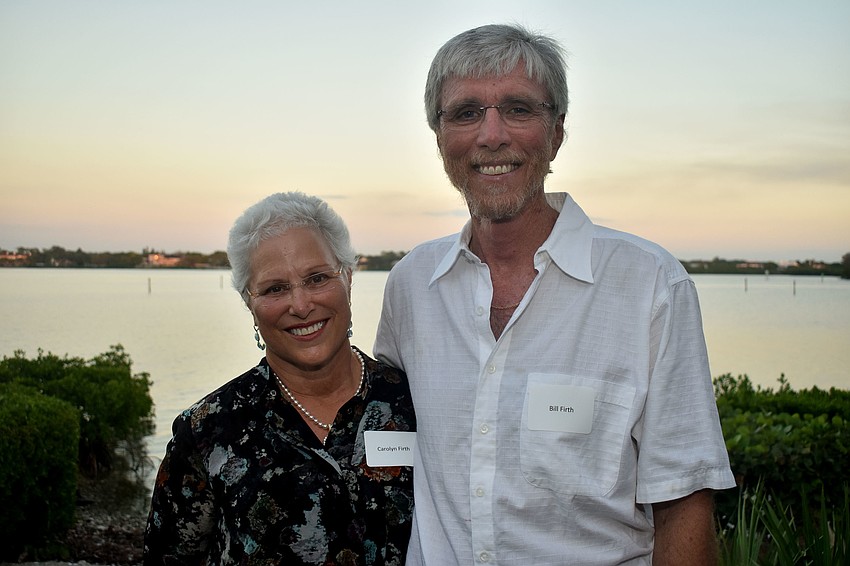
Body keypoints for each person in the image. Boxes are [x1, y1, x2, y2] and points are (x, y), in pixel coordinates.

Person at [374, 24, 735, 565]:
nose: (490, 135)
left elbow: (683, 498)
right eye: (466, 112)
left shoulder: (650, 285)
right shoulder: (410, 286)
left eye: (518, 109)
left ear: (557, 133)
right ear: (439, 136)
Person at [145, 191, 416, 565]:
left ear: (349, 278)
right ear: (249, 302)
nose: (301, 305)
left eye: (317, 278)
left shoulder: (411, 402)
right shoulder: (208, 431)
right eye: (275, 289)